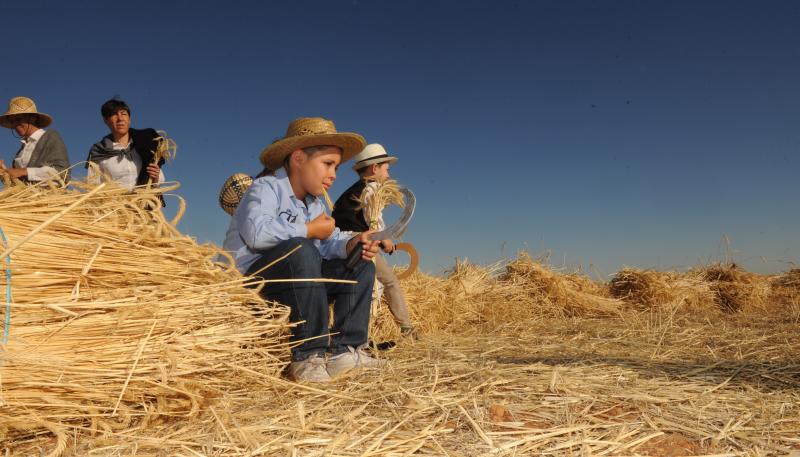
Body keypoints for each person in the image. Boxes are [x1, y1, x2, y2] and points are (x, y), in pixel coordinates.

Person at [223, 117, 382, 383]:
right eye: (328, 164)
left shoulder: (314, 204)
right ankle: (308, 354)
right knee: (301, 248)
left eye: (336, 167)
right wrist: (308, 230)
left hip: (299, 279)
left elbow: (328, 242)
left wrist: (350, 244)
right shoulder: (265, 189)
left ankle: (345, 350)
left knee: (360, 263)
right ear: (298, 159)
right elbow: (256, 234)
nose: (333, 174)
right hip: (255, 281)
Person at [332, 143, 416, 337]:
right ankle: (405, 327)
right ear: (374, 168)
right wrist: (385, 239)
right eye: (386, 169)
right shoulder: (371, 190)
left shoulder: (350, 192)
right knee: (389, 282)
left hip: (339, 244)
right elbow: (373, 220)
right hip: (360, 243)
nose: (388, 175)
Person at [86, 98, 165, 194]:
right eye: (114, 114)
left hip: (145, 205)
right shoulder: (98, 151)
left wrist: (156, 177)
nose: (120, 118)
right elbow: (92, 186)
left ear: (129, 119)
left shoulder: (145, 144)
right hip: (115, 207)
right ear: (106, 121)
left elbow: (160, 180)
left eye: (123, 114)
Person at [0, 96, 70, 183]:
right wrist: (3, 172)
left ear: (33, 118)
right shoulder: (21, 151)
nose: (15, 125)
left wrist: (23, 171)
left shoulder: (50, 137)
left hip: (48, 196)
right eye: (12, 121)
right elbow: (17, 185)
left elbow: (63, 173)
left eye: (18, 119)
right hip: (27, 196)